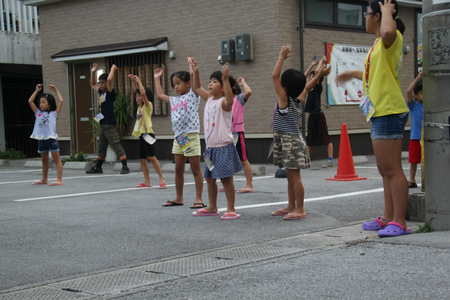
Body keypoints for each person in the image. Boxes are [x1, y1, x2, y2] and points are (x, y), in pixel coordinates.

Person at [335, 0, 411, 237]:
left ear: (377, 16)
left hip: (389, 109)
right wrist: (353, 74)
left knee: (392, 169)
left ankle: (399, 221)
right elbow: (375, 73)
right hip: (380, 111)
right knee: (384, 169)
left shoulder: (392, 36)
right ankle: (388, 217)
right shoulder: (379, 44)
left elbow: (389, 30)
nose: (364, 18)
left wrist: (388, 8)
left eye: (367, 13)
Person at [271, 44, 331, 221]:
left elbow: (274, 76)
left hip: (290, 142)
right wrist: (318, 74)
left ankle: (300, 208)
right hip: (292, 140)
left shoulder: (284, 100)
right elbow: (307, 85)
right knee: (290, 175)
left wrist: (281, 57)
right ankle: (291, 205)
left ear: (285, 87)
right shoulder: (299, 98)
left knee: (295, 177)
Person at [188, 58, 243, 220]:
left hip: (224, 147)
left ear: (223, 87)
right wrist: (195, 71)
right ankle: (212, 206)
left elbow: (230, 99)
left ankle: (231, 208)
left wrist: (226, 79)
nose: (210, 84)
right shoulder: (210, 99)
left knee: (226, 179)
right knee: (210, 178)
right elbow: (197, 87)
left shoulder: (224, 103)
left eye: (214, 81)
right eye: (210, 81)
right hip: (210, 148)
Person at [154, 64, 204, 208]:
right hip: (179, 138)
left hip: (191, 136)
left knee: (195, 170)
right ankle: (179, 197)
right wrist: (157, 79)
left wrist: (192, 71)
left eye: (178, 83)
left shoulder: (193, 95)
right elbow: (159, 95)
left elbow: (196, 85)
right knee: (178, 169)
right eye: (173, 84)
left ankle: (199, 198)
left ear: (188, 83)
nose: (175, 87)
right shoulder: (174, 100)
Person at [86, 63, 130, 174]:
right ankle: (98, 167)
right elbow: (92, 84)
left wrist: (113, 69)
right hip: (102, 124)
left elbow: (110, 80)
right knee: (101, 146)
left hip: (109, 124)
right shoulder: (101, 93)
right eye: (99, 83)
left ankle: (125, 166)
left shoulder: (110, 93)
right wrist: (93, 72)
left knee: (115, 144)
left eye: (102, 83)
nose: (100, 85)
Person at [128, 74, 166, 189]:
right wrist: (134, 82)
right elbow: (138, 91)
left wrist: (139, 80)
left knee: (152, 157)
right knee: (142, 159)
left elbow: (143, 93)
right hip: (141, 135)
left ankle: (162, 179)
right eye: (136, 96)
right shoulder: (139, 107)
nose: (137, 97)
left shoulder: (148, 106)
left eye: (139, 96)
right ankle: (147, 181)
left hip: (148, 134)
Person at [218, 77, 254, 193]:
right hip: (227, 133)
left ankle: (249, 185)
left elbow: (248, 92)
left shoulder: (238, 99)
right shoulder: (223, 101)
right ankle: (229, 184)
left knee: (243, 159)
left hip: (237, 133)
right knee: (228, 159)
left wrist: (243, 83)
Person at [28, 84, 64, 186]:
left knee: (57, 160)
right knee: (44, 162)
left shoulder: (53, 114)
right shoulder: (38, 112)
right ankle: (44, 179)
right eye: (40, 102)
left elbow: (61, 101)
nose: (41, 104)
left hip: (51, 139)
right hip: (41, 139)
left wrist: (56, 90)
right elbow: (30, 101)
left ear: (50, 104)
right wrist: (36, 91)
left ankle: (59, 179)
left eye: (44, 102)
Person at [303, 56, 334, 168]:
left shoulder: (317, 86)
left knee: (326, 138)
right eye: (311, 76)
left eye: (314, 76)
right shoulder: (309, 87)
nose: (311, 77)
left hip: (318, 114)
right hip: (311, 116)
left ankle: (330, 160)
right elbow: (304, 76)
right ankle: (306, 160)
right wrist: (311, 65)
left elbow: (317, 72)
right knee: (310, 141)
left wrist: (321, 61)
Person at [406, 71, 423, 188]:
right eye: (422, 93)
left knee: (429, 161)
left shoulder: (431, 106)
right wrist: (418, 77)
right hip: (415, 137)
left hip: (428, 138)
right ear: (416, 95)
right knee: (413, 161)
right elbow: (408, 91)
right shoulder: (414, 106)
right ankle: (412, 180)